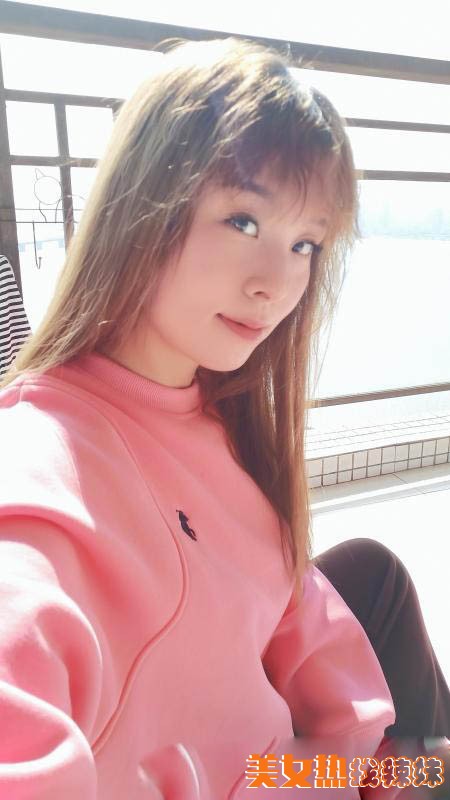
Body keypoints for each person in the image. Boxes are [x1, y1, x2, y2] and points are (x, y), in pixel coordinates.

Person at [0, 37, 448, 800]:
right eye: (242, 220)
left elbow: (293, 607)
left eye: (304, 243)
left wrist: (385, 769)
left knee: (374, 578)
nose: (277, 283)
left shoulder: (212, 418)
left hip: (308, 769)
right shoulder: (41, 475)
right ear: (141, 207)